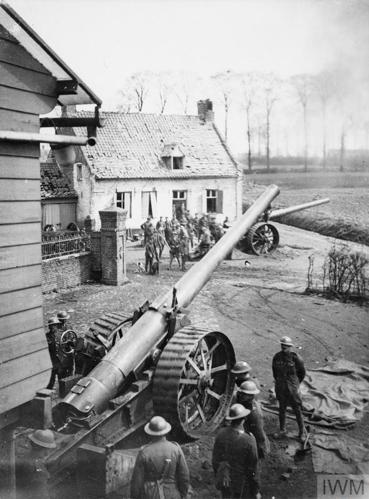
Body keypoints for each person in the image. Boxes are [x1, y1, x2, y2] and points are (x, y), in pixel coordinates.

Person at [130, 416, 190, 499]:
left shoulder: (144, 452)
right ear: (166, 431)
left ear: (150, 433)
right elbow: (184, 477)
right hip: (172, 494)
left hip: (149, 494)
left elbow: (136, 482)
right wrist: (182, 495)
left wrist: (134, 497)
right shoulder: (175, 449)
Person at [212, 404, 260, 499]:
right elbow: (253, 467)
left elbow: (215, 459)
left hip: (225, 480)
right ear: (243, 419)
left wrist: (219, 474)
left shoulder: (221, 434)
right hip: (241, 483)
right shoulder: (249, 439)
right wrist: (255, 490)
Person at [272, 336, 306, 439]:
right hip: (281, 387)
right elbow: (274, 372)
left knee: (297, 409)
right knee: (282, 408)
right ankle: (282, 430)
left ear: (290, 347)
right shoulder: (277, 357)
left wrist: (295, 384)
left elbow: (302, 373)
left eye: (286, 346)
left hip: (292, 388)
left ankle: (302, 432)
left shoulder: (296, 358)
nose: (284, 347)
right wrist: (279, 382)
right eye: (282, 345)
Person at [16, 429, 56, 499]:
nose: (47, 453)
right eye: (45, 449)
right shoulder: (26, 465)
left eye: (48, 449)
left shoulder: (38, 462)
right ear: (36, 446)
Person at [237, 381, 270, 459]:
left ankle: (262, 453)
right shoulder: (241, 399)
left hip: (254, 422)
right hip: (247, 421)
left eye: (245, 394)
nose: (241, 395)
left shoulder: (255, 412)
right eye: (241, 393)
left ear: (251, 396)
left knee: (258, 436)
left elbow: (259, 432)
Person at [46, 316, 62, 389]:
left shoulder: (61, 335)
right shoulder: (46, 337)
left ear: (57, 326)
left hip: (61, 362)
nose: (52, 327)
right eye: (51, 325)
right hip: (51, 363)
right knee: (50, 382)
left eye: (54, 325)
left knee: (62, 381)